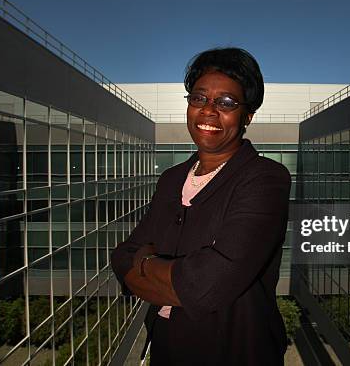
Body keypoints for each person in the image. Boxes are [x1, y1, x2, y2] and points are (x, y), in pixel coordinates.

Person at [111, 47, 290, 365]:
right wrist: (156, 273)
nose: (208, 111)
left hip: (235, 352)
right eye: (199, 98)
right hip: (167, 349)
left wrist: (145, 265)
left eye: (226, 102)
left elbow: (209, 284)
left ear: (247, 116)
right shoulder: (171, 179)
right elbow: (122, 256)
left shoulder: (265, 178)